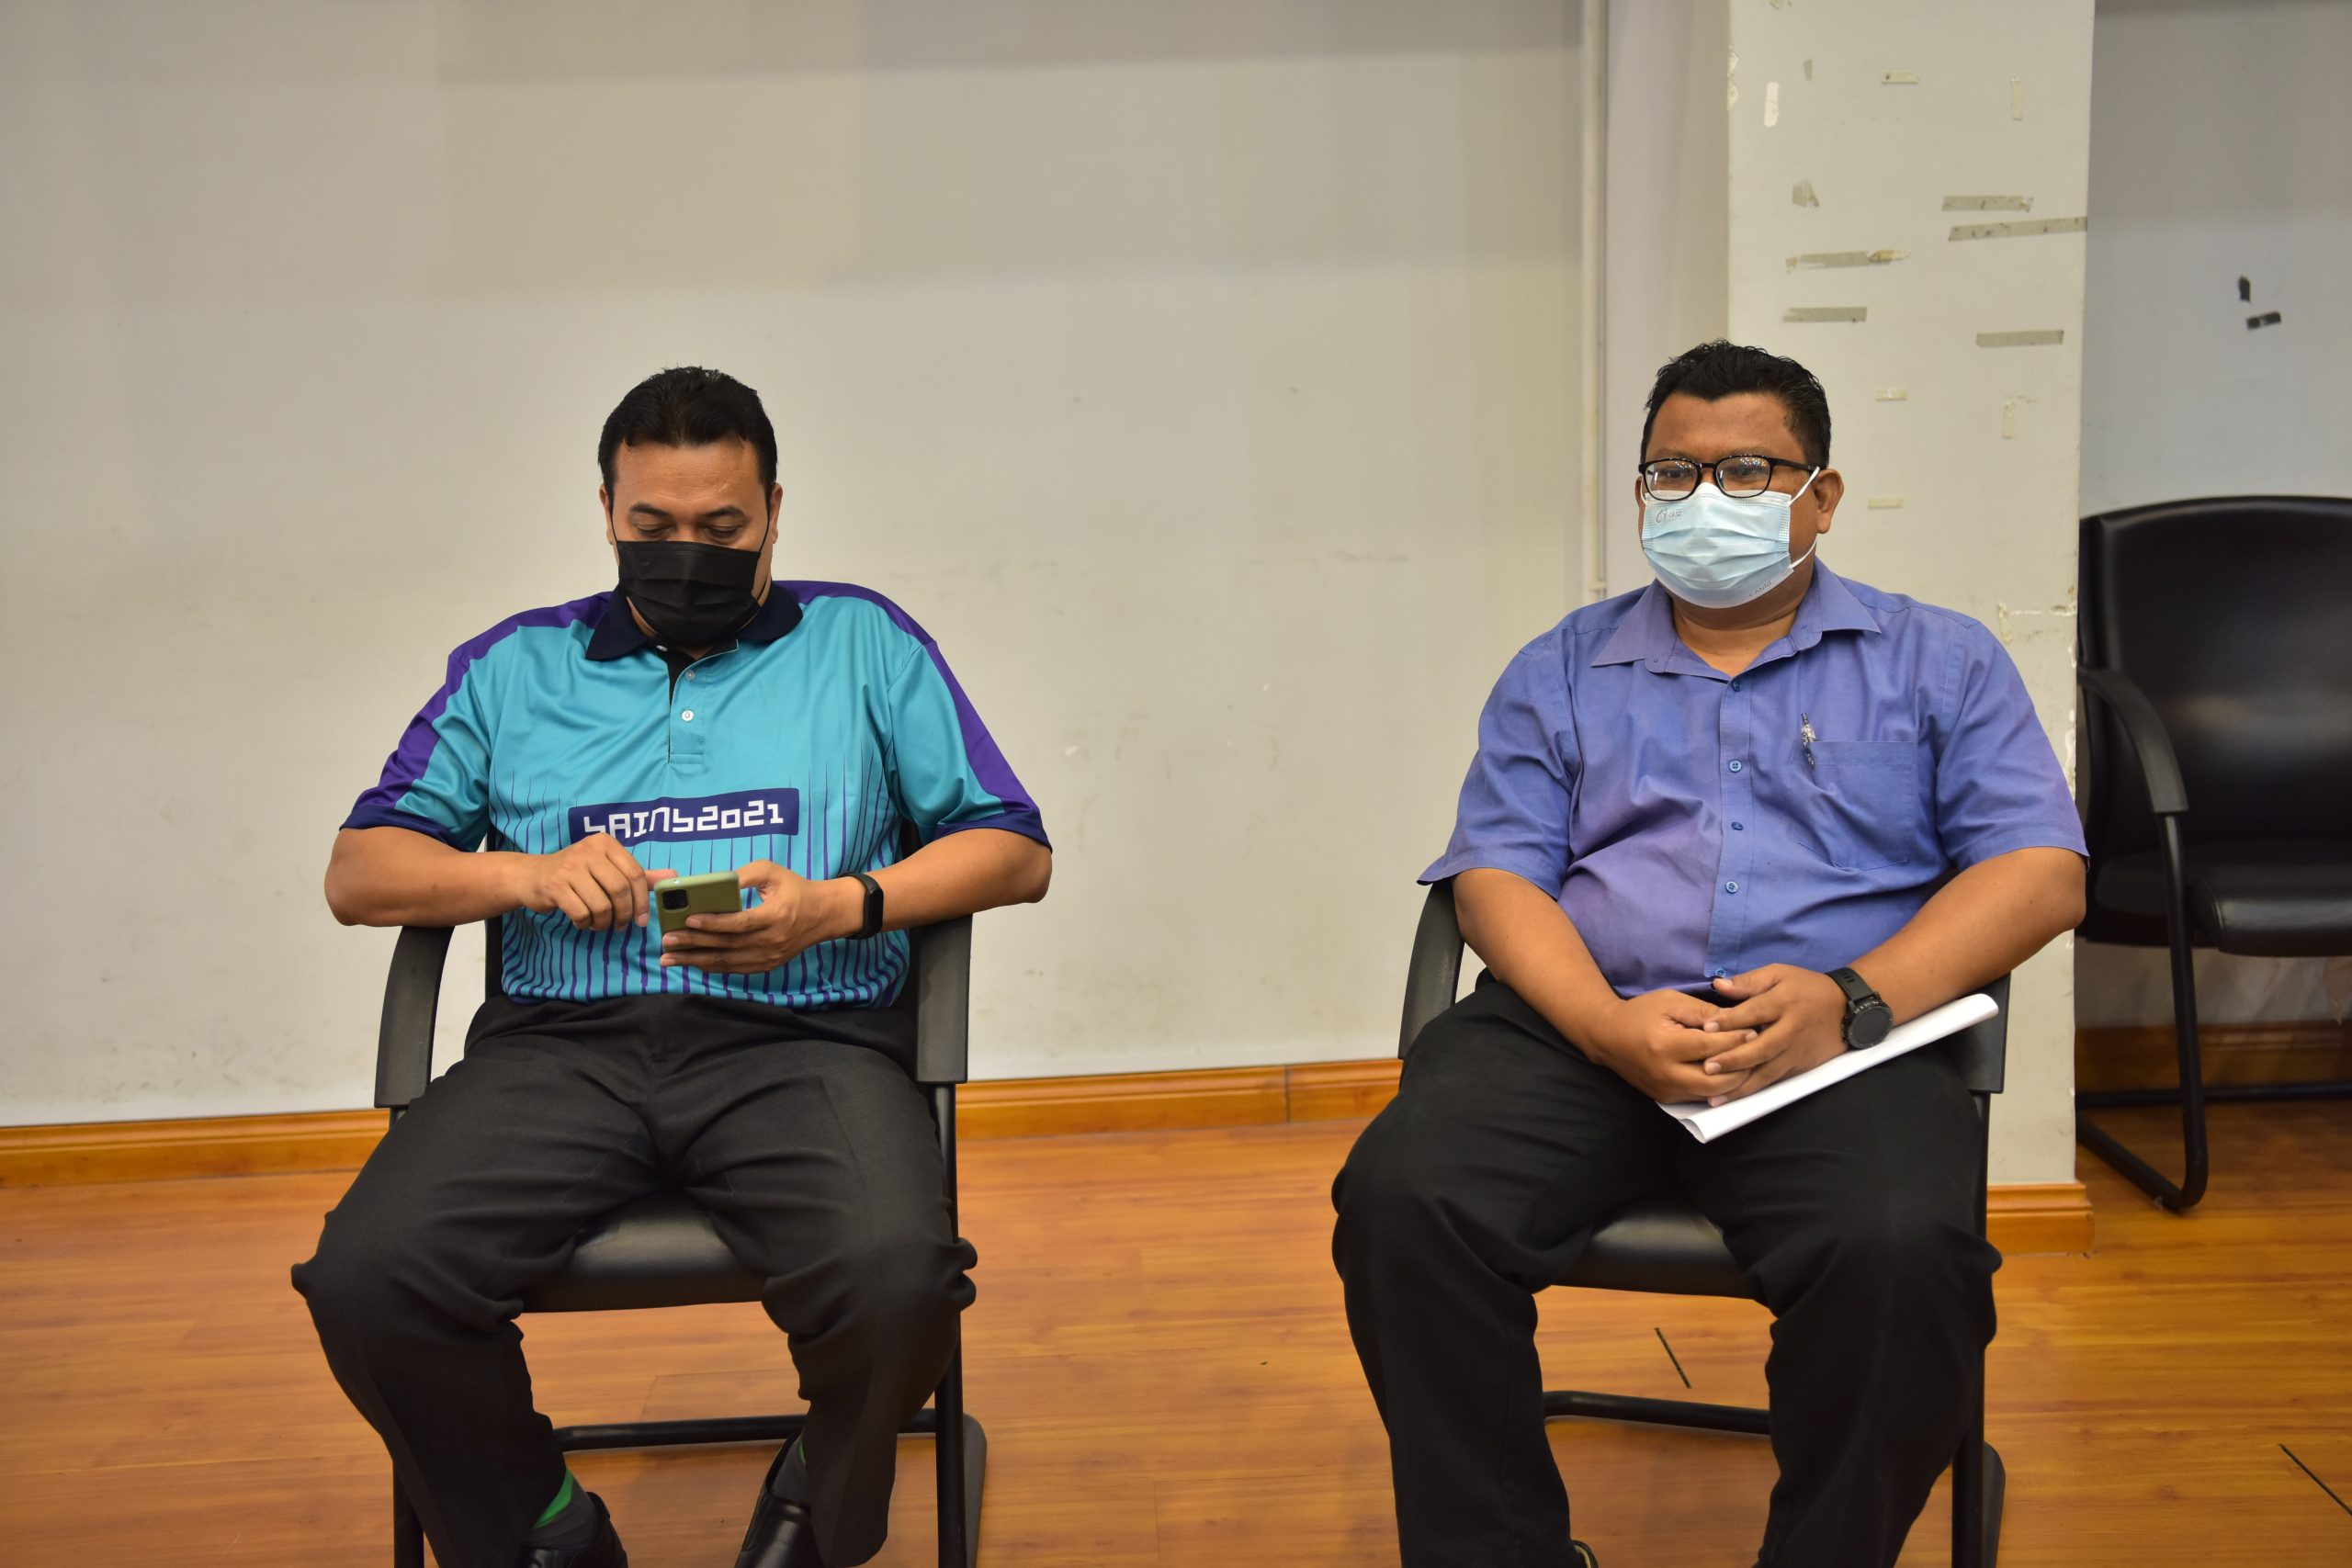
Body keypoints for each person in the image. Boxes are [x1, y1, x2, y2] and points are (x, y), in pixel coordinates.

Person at [1331, 341, 2086, 1568]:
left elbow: (2041, 870)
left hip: (1834, 1040)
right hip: (1586, 1024)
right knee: (1403, 1202)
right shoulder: (1562, 667)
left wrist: (1853, 998)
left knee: (1902, 1253)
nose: (1703, 499)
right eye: (1673, 474)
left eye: (1745, 471)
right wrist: (1602, 1025)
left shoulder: (1939, 661)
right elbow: (1495, 873)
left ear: (1820, 497)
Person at [295, 367, 1050, 1568]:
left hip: (805, 1044)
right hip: (560, 1053)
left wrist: (840, 906)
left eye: (722, 527)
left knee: (899, 1276)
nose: (686, 552)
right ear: (606, 510)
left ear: (776, 513)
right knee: (369, 1280)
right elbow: (359, 871)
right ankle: (542, 1532)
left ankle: (813, 1505)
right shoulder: (512, 667)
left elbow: (1012, 847)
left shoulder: (864, 641)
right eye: (653, 525)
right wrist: (524, 876)